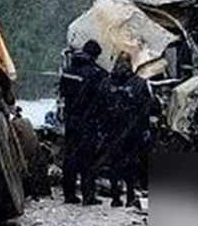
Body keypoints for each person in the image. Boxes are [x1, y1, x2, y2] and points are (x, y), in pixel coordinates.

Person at [97, 52, 153, 207]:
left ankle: (116, 196)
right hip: (131, 131)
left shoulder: (106, 83)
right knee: (131, 163)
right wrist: (144, 128)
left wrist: (102, 127)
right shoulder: (139, 83)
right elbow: (146, 109)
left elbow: (99, 107)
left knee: (114, 163)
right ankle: (129, 195)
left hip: (112, 130)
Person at [59, 40, 109, 204]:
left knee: (70, 156)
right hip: (88, 122)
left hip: (71, 120)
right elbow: (101, 100)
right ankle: (88, 196)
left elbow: (63, 93)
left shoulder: (68, 71)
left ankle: (69, 194)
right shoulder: (96, 74)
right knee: (88, 158)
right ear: (95, 56)